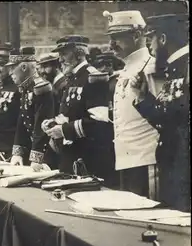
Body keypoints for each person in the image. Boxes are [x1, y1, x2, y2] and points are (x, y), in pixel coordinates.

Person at [133, 14, 190, 212]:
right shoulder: (175, 68)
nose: (150, 48)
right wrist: (143, 98)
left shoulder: (184, 67)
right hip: (174, 164)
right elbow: (168, 119)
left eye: (151, 40)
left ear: (163, 39)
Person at [45, 35, 116, 186]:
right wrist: (53, 123)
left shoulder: (93, 77)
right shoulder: (72, 77)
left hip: (88, 159)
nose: (60, 59)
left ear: (79, 53)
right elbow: (71, 112)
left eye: (64, 53)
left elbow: (99, 123)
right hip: (70, 156)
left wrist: (63, 130)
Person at [102, 10, 159, 196]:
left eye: (117, 38)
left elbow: (162, 115)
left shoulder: (151, 67)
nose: (111, 44)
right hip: (125, 159)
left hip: (146, 159)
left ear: (136, 36)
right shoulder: (126, 70)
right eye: (110, 38)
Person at [10, 50, 56, 171]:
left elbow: (41, 125)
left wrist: (37, 157)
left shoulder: (41, 88)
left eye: (12, 68)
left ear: (24, 67)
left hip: (49, 151)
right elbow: (22, 120)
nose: (10, 73)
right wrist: (17, 152)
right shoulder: (26, 87)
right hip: (33, 147)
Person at [0, 50, 22, 159]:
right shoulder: (0, 86)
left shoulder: (18, 87)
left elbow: (21, 121)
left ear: (11, 67)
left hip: (9, 145)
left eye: (1, 65)